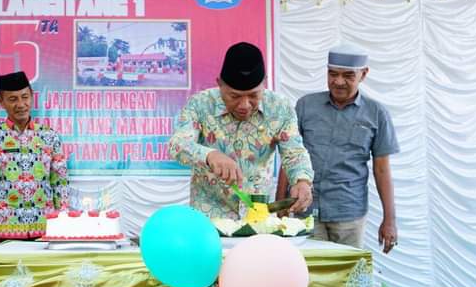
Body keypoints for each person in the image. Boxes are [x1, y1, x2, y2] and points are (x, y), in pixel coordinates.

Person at [276, 43, 399, 252]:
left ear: (363, 74)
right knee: (308, 270)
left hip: (348, 213)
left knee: (347, 270)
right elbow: (291, 157)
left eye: (348, 76)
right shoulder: (305, 106)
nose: (339, 81)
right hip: (304, 210)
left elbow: (382, 169)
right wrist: (280, 203)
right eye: (333, 74)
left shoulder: (377, 113)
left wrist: (390, 220)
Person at [169, 42, 314, 219]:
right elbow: (178, 145)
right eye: (234, 96)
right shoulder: (200, 104)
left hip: (257, 215)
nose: (244, 105)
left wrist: (302, 180)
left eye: (253, 95)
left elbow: (294, 153)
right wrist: (209, 155)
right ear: (220, 84)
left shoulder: (280, 108)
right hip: (209, 216)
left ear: (264, 82)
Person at [0, 71, 69, 246]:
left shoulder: (50, 136)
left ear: (32, 96)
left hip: (46, 229)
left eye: (25, 97)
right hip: (5, 230)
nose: (20, 104)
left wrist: (63, 220)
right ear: (1, 102)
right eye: (13, 99)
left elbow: (60, 183)